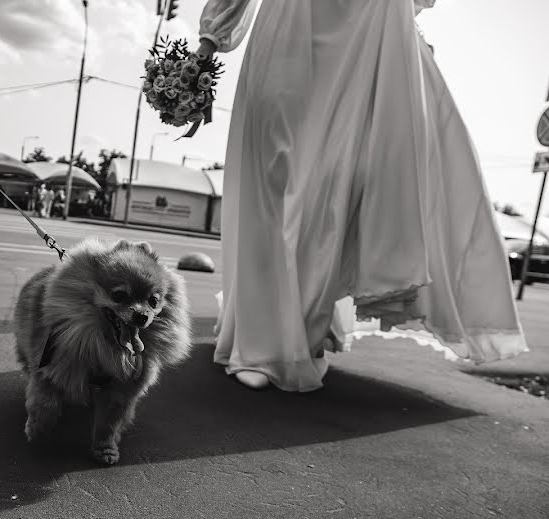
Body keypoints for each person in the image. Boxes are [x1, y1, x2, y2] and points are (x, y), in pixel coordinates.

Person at [198, 0, 527, 392]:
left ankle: (297, 334)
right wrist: (210, 38)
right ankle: (257, 333)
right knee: (271, 180)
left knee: (332, 188)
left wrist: (407, 37)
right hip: (289, 26)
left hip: (365, 32)